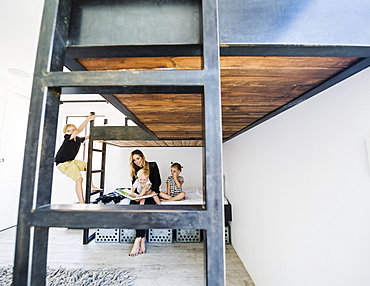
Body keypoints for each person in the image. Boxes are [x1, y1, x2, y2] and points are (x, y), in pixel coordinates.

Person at [54, 114, 102, 204]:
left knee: (88, 165)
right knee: (79, 179)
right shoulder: (68, 138)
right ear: (65, 133)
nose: (71, 132)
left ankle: (92, 186)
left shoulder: (78, 139)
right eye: (69, 130)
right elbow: (79, 130)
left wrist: (101, 131)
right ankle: (81, 202)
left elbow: (89, 136)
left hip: (71, 161)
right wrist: (87, 120)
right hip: (62, 163)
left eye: (73, 129)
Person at [128, 149, 161, 257]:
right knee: (133, 206)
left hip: (151, 193)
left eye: (138, 158)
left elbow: (157, 183)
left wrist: (149, 193)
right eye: (134, 160)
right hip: (140, 195)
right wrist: (135, 196)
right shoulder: (134, 170)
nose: (137, 162)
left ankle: (137, 239)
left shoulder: (152, 165)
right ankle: (142, 238)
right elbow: (134, 186)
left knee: (144, 208)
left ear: (142, 156)